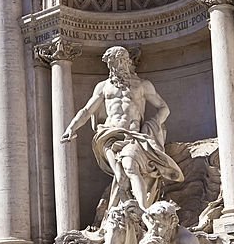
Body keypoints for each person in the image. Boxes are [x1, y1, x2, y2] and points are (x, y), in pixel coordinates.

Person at [61, 46, 184, 211]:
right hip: (109, 136)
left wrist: (151, 126)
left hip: (134, 136)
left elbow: (164, 108)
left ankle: (142, 210)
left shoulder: (142, 86)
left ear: (128, 61)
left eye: (121, 61)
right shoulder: (103, 87)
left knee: (130, 167)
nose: (117, 66)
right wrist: (71, 128)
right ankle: (125, 215)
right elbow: (86, 111)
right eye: (113, 63)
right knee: (121, 177)